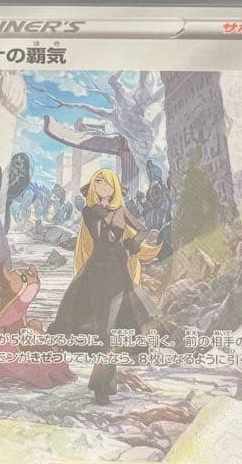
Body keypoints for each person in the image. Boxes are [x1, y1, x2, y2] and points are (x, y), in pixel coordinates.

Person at [48, 168, 161, 403]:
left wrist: (131, 245)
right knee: (104, 328)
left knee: (114, 326)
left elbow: (142, 229)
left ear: (115, 188)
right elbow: (103, 237)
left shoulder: (121, 210)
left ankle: (101, 383)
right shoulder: (90, 211)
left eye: (107, 184)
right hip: (97, 272)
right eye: (98, 184)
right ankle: (103, 386)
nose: (103, 188)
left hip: (119, 271)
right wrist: (105, 214)